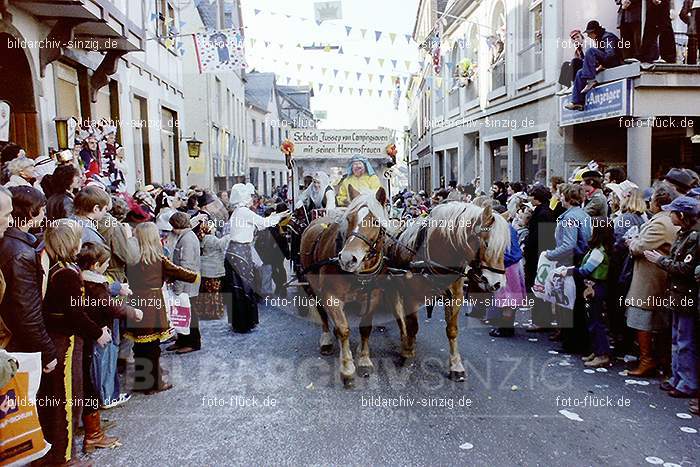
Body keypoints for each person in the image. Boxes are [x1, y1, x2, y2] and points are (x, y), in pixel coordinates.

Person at [39, 218, 111, 464]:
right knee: (68, 401)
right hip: (66, 342)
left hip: (59, 337)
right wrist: (98, 332)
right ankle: (65, 457)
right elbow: (75, 314)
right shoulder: (67, 273)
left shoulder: (57, 267)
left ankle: (58, 453)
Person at [77, 242, 141, 452]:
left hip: (95, 333)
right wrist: (132, 312)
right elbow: (109, 305)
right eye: (105, 264)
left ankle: (100, 410)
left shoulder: (85, 279)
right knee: (101, 368)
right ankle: (106, 398)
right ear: (96, 265)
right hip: (100, 333)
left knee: (97, 369)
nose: (107, 267)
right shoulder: (95, 285)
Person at [125, 222, 198, 394]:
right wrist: (196, 277)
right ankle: (154, 383)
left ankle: (141, 381)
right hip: (153, 302)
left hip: (135, 300)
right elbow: (179, 271)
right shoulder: (157, 258)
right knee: (152, 345)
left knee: (140, 345)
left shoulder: (131, 259)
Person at [644, 196, 700, 398]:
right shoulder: (684, 233)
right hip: (677, 293)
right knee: (677, 339)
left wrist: (660, 260)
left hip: (686, 294)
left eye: (673, 212)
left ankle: (687, 382)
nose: (669, 216)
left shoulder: (694, 237)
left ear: (682, 215)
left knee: (685, 340)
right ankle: (677, 378)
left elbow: (686, 268)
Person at [625, 183, 679, 376]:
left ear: (658, 202)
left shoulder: (660, 223)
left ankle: (647, 360)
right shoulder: (664, 220)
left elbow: (639, 246)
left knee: (643, 321)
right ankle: (659, 360)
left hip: (650, 279)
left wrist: (632, 242)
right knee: (657, 323)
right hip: (657, 278)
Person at [0, 187, 57, 370]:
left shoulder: (14, 244)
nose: (10, 221)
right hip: (15, 343)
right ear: (32, 212)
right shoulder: (20, 254)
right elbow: (26, 311)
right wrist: (47, 351)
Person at [224, 183, 289, 332]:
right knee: (244, 287)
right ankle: (244, 323)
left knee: (241, 287)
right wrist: (279, 216)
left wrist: (274, 216)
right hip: (240, 251)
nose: (251, 199)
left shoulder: (239, 212)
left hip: (238, 251)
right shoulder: (244, 212)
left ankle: (242, 322)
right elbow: (264, 223)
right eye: (249, 197)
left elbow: (259, 224)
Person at [545, 184, 593, 353]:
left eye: (561, 195)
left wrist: (550, 254)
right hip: (580, 260)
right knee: (578, 304)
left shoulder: (569, 217)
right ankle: (579, 341)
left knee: (568, 303)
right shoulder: (583, 214)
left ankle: (572, 343)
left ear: (567, 198)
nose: (559, 198)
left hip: (569, 261)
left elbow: (569, 244)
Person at [566, 221, 614, 367]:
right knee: (592, 319)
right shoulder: (599, 249)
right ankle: (597, 349)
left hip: (595, 287)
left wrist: (571, 270)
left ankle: (602, 353)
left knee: (595, 321)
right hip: (593, 287)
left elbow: (585, 270)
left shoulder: (599, 252)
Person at [564, 20, 624, 111]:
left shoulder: (608, 37)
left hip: (614, 62)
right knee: (580, 72)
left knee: (590, 51)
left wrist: (601, 65)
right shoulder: (599, 39)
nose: (588, 36)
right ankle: (577, 102)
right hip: (606, 63)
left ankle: (591, 80)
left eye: (589, 33)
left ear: (594, 32)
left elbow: (610, 55)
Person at [165, 211, 202, 354]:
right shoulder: (186, 236)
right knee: (182, 313)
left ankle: (193, 343)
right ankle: (182, 340)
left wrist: (178, 287)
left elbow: (186, 267)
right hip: (186, 282)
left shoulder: (187, 239)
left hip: (187, 283)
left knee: (190, 313)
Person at [525, 185, 556, 330]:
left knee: (538, 288)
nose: (529, 197)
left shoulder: (542, 213)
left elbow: (539, 237)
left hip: (538, 256)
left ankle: (540, 320)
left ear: (536, 198)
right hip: (540, 255)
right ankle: (542, 319)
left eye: (531, 195)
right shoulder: (544, 211)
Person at [193, 218, 230, 320]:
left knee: (205, 292)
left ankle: (203, 311)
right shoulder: (211, 239)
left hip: (204, 269)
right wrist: (228, 236)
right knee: (214, 292)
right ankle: (214, 312)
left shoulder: (203, 239)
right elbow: (221, 244)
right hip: (214, 269)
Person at [682, 0, 700, 64]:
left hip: (693, 26)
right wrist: (690, 21)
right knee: (692, 46)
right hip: (693, 28)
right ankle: (691, 66)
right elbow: (682, 14)